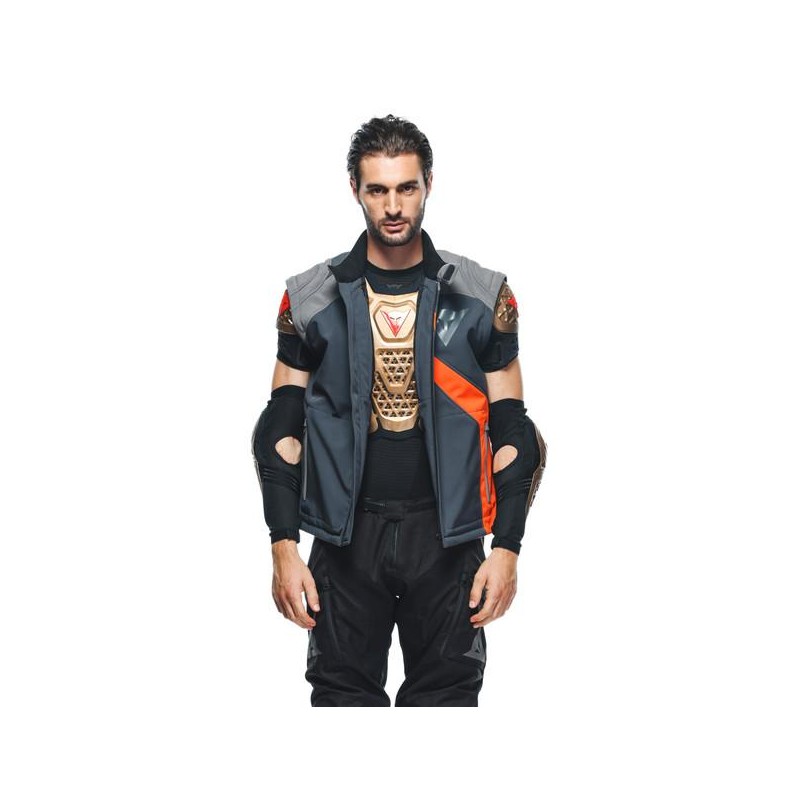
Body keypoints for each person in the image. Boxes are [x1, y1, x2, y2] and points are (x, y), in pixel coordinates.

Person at [251, 114, 546, 707]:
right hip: (344, 538)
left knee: (446, 703)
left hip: (447, 539)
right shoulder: (310, 297)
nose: (392, 207)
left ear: (428, 184)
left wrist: (507, 548)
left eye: (406, 188)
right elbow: (280, 430)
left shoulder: (481, 294)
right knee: (341, 700)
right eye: (378, 190)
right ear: (355, 189)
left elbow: (515, 433)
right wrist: (283, 545)